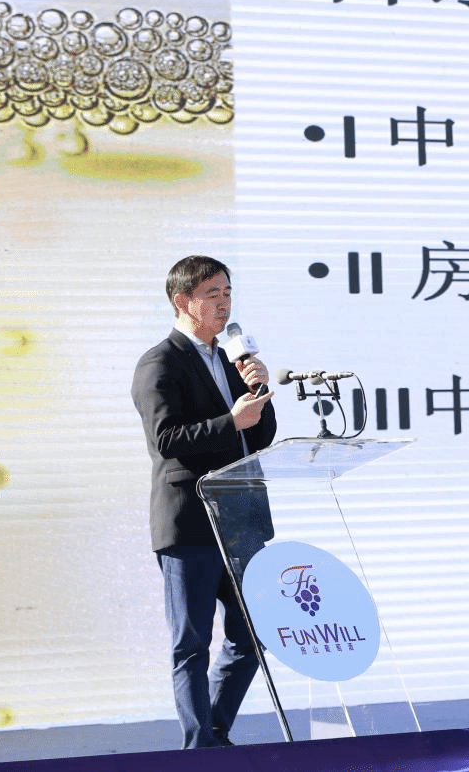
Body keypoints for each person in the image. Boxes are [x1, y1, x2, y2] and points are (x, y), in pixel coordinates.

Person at [131, 254, 276, 748]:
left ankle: (213, 731)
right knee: (191, 644)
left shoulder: (233, 361)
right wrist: (231, 422)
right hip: (190, 522)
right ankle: (199, 750)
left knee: (252, 634)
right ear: (182, 301)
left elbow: (257, 437)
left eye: (228, 293)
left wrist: (258, 390)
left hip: (241, 520)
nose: (224, 303)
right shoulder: (160, 362)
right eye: (212, 294)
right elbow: (166, 439)